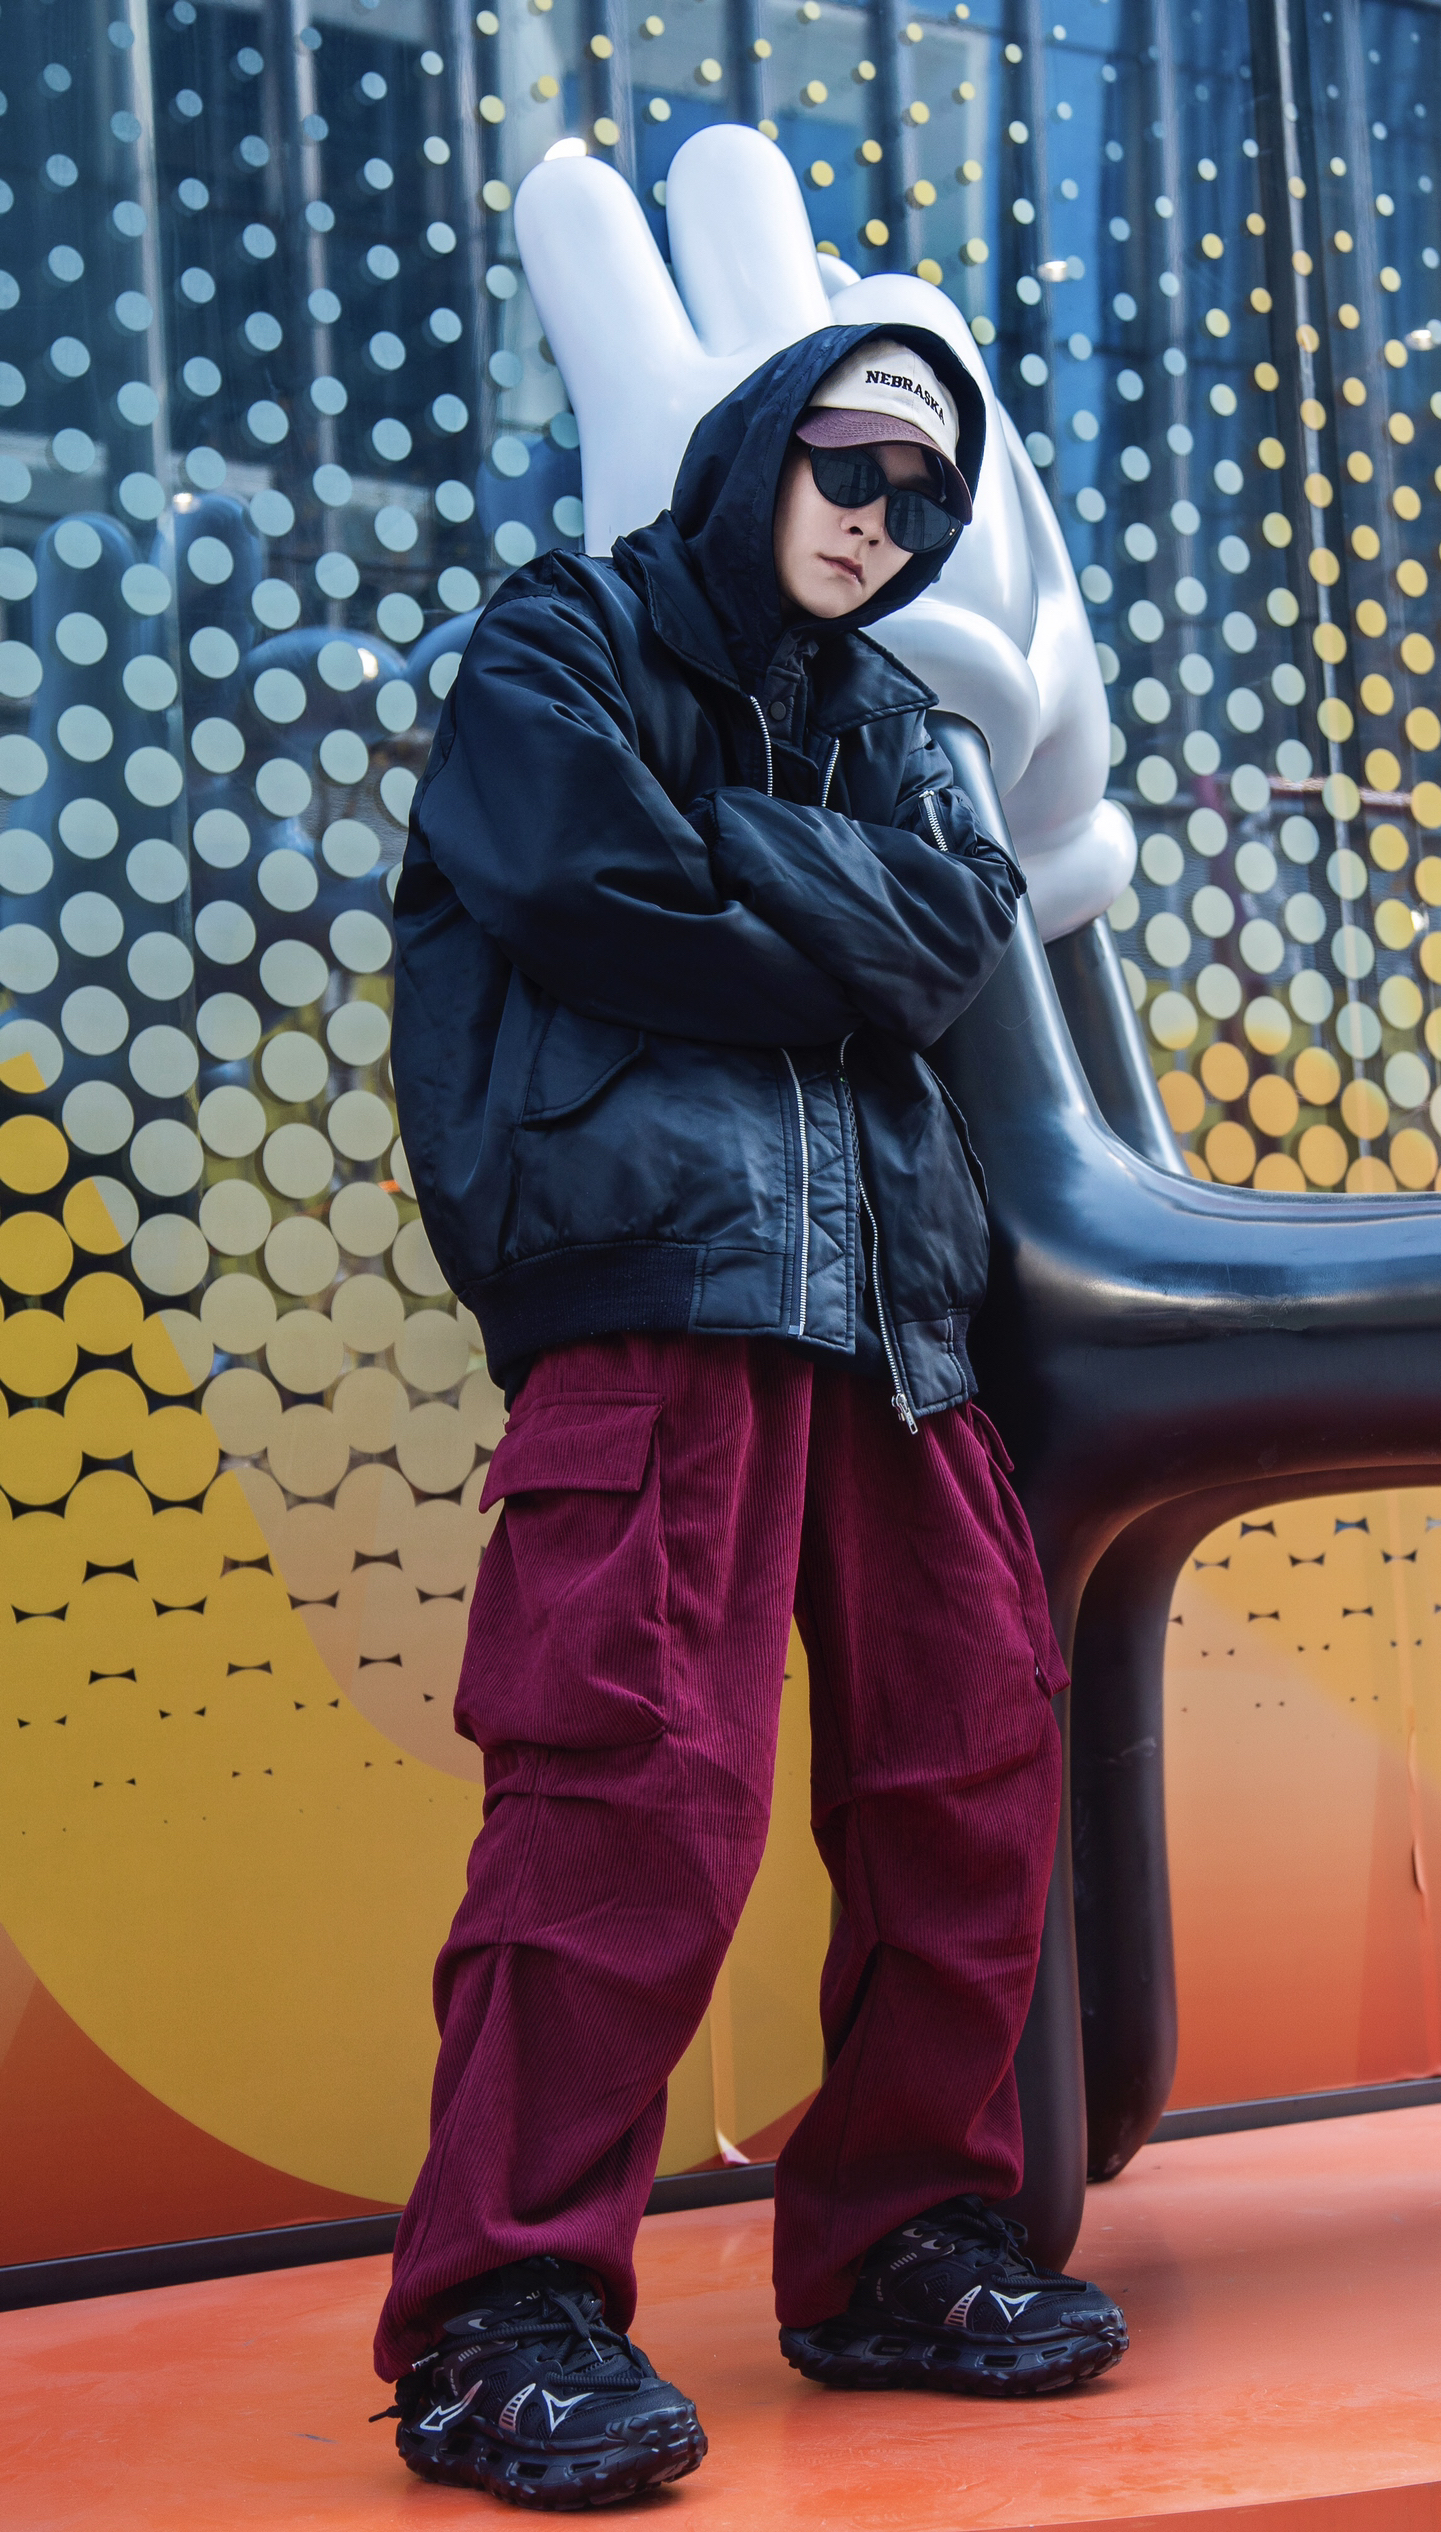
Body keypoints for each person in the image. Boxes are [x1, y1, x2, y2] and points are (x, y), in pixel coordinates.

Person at [371, 325, 1128, 2509]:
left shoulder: (894, 720)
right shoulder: (560, 644)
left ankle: (900, 2245)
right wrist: (808, 894)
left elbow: (947, 941)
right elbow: (587, 893)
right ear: (755, 446)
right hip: (658, 1292)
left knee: (969, 1771)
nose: (878, 519)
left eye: (923, 496)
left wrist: (729, 854)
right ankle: (500, 2318)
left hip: (894, 1311)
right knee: (624, 1796)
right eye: (848, 463)